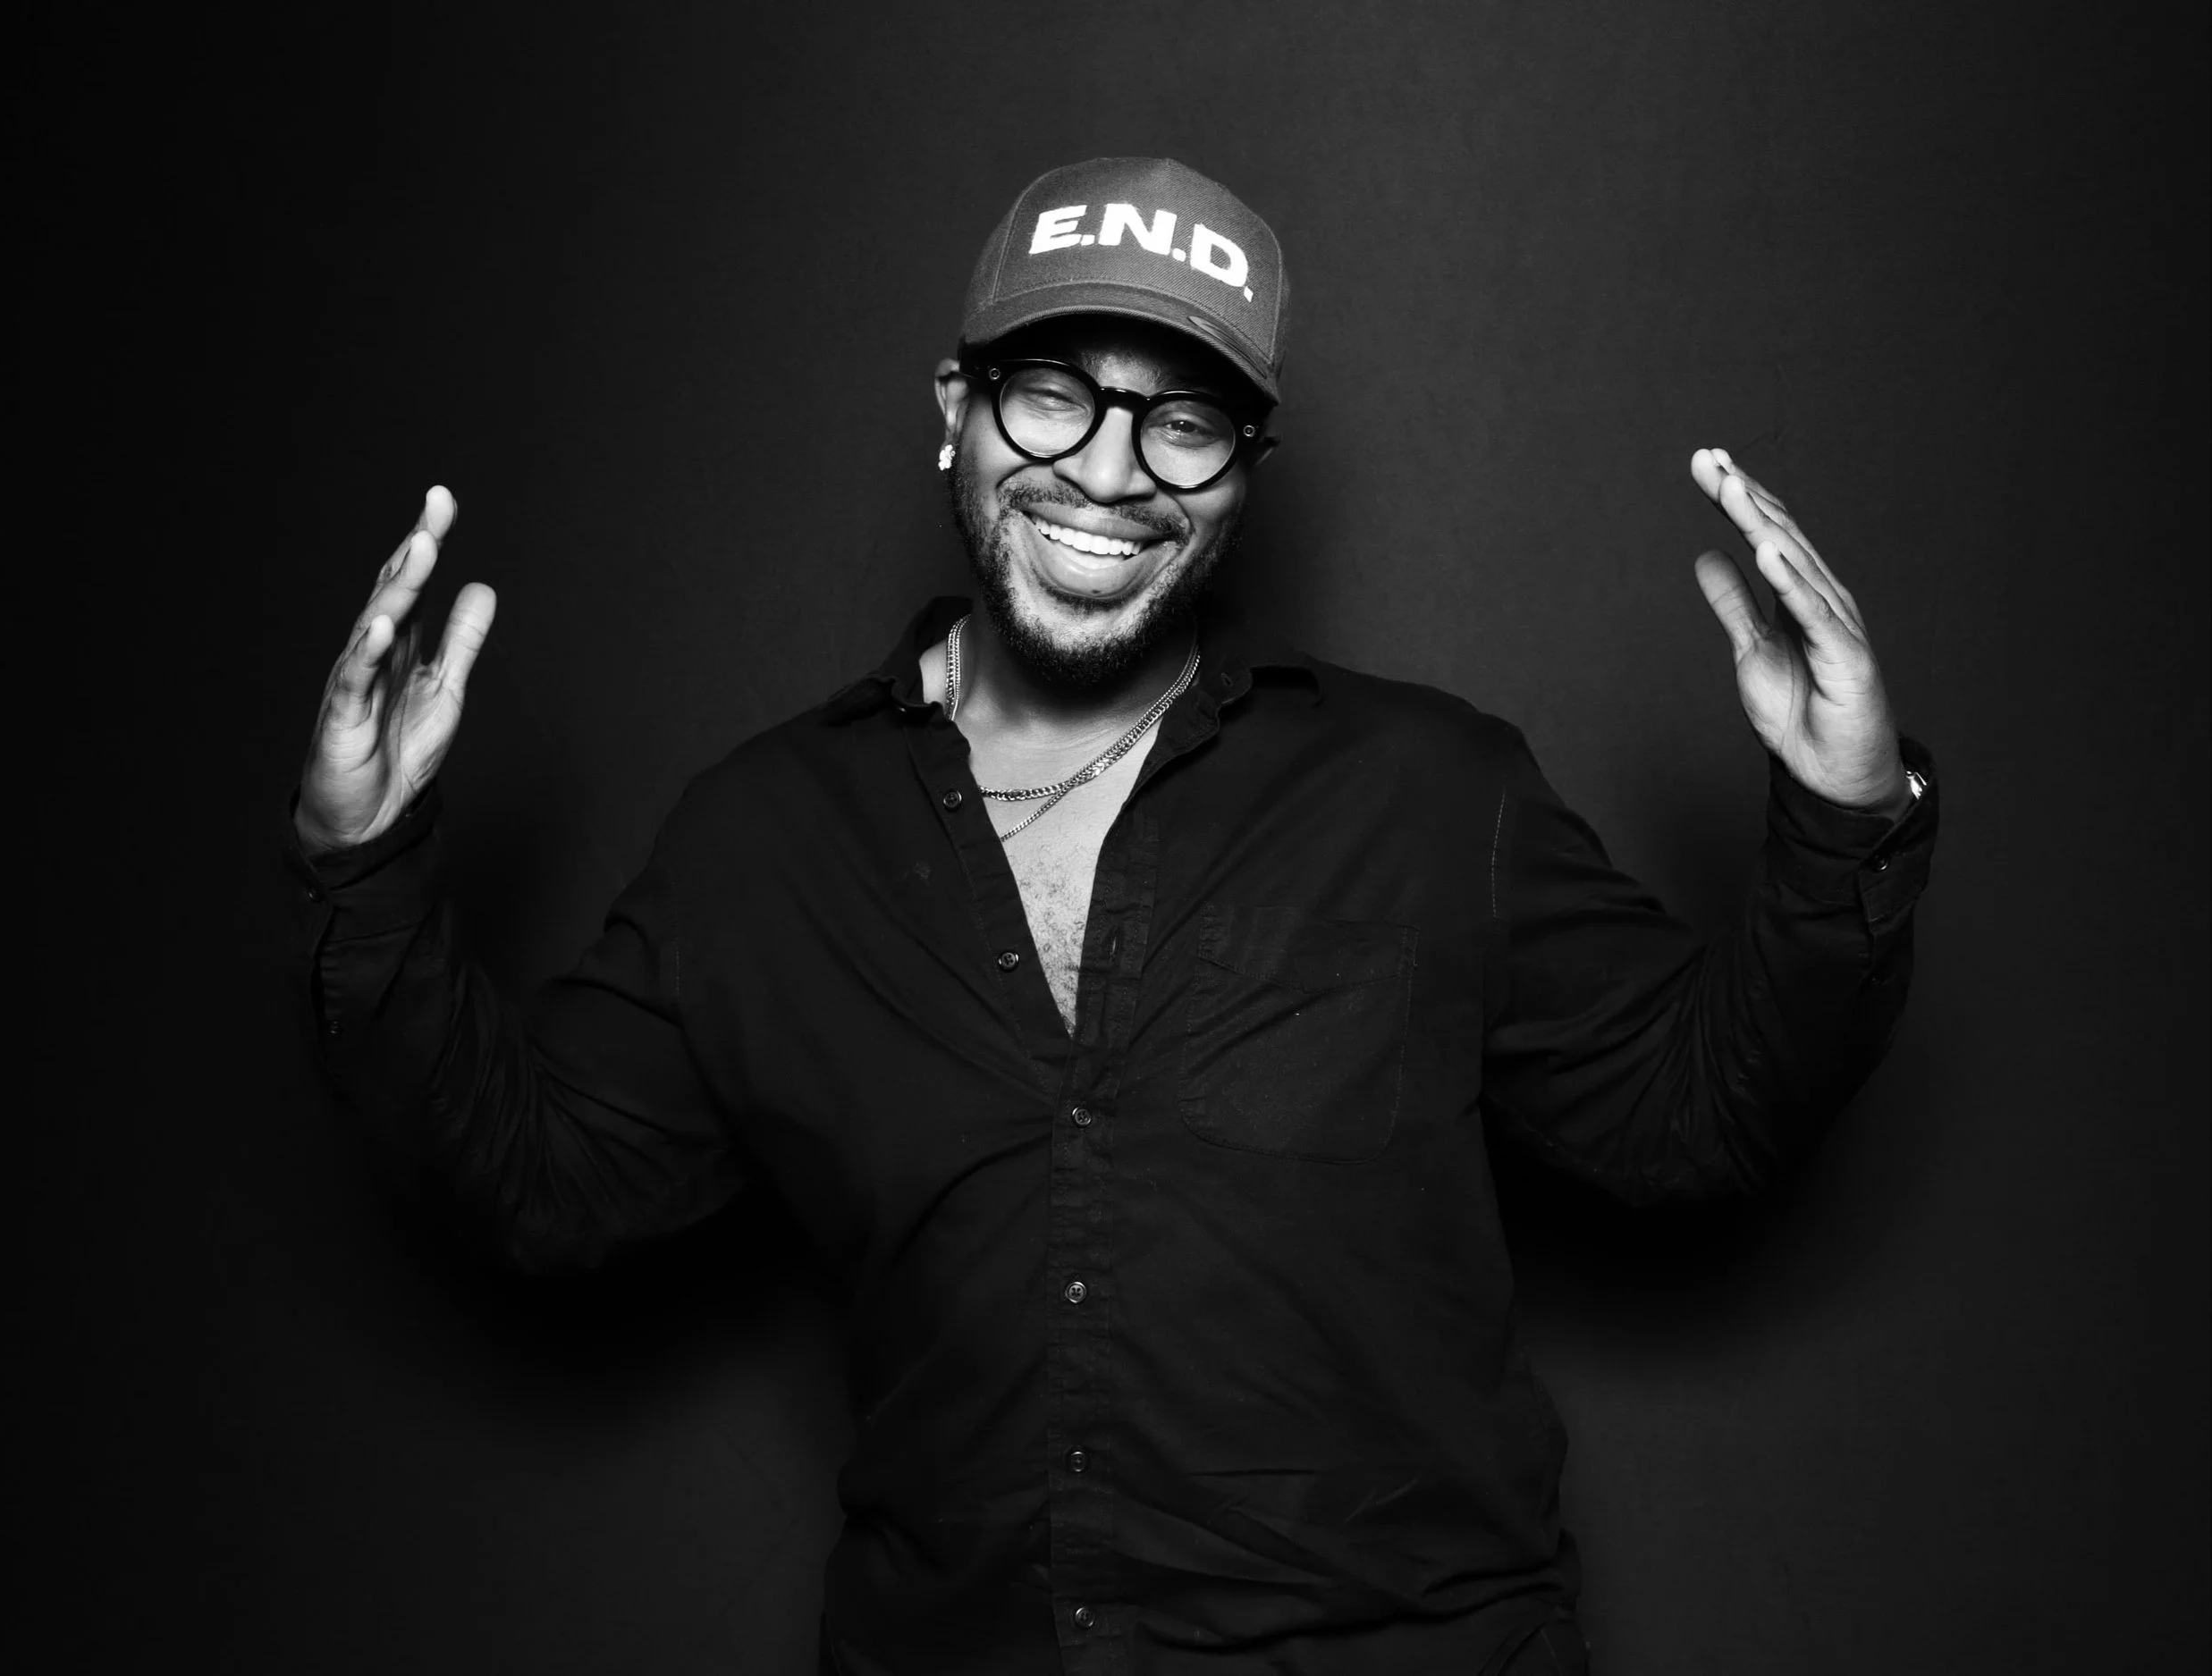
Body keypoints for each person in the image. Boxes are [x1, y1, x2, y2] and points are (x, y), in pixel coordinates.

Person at [284, 156, 1937, 1676]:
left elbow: (1697, 1123)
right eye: (1053, 393)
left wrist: (1841, 821)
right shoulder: (765, 839)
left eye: (1184, 420)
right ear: (958, 407)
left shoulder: (1433, 792)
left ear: (1244, 474)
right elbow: (541, 1183)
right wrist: (365, 873)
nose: (1108, 471)